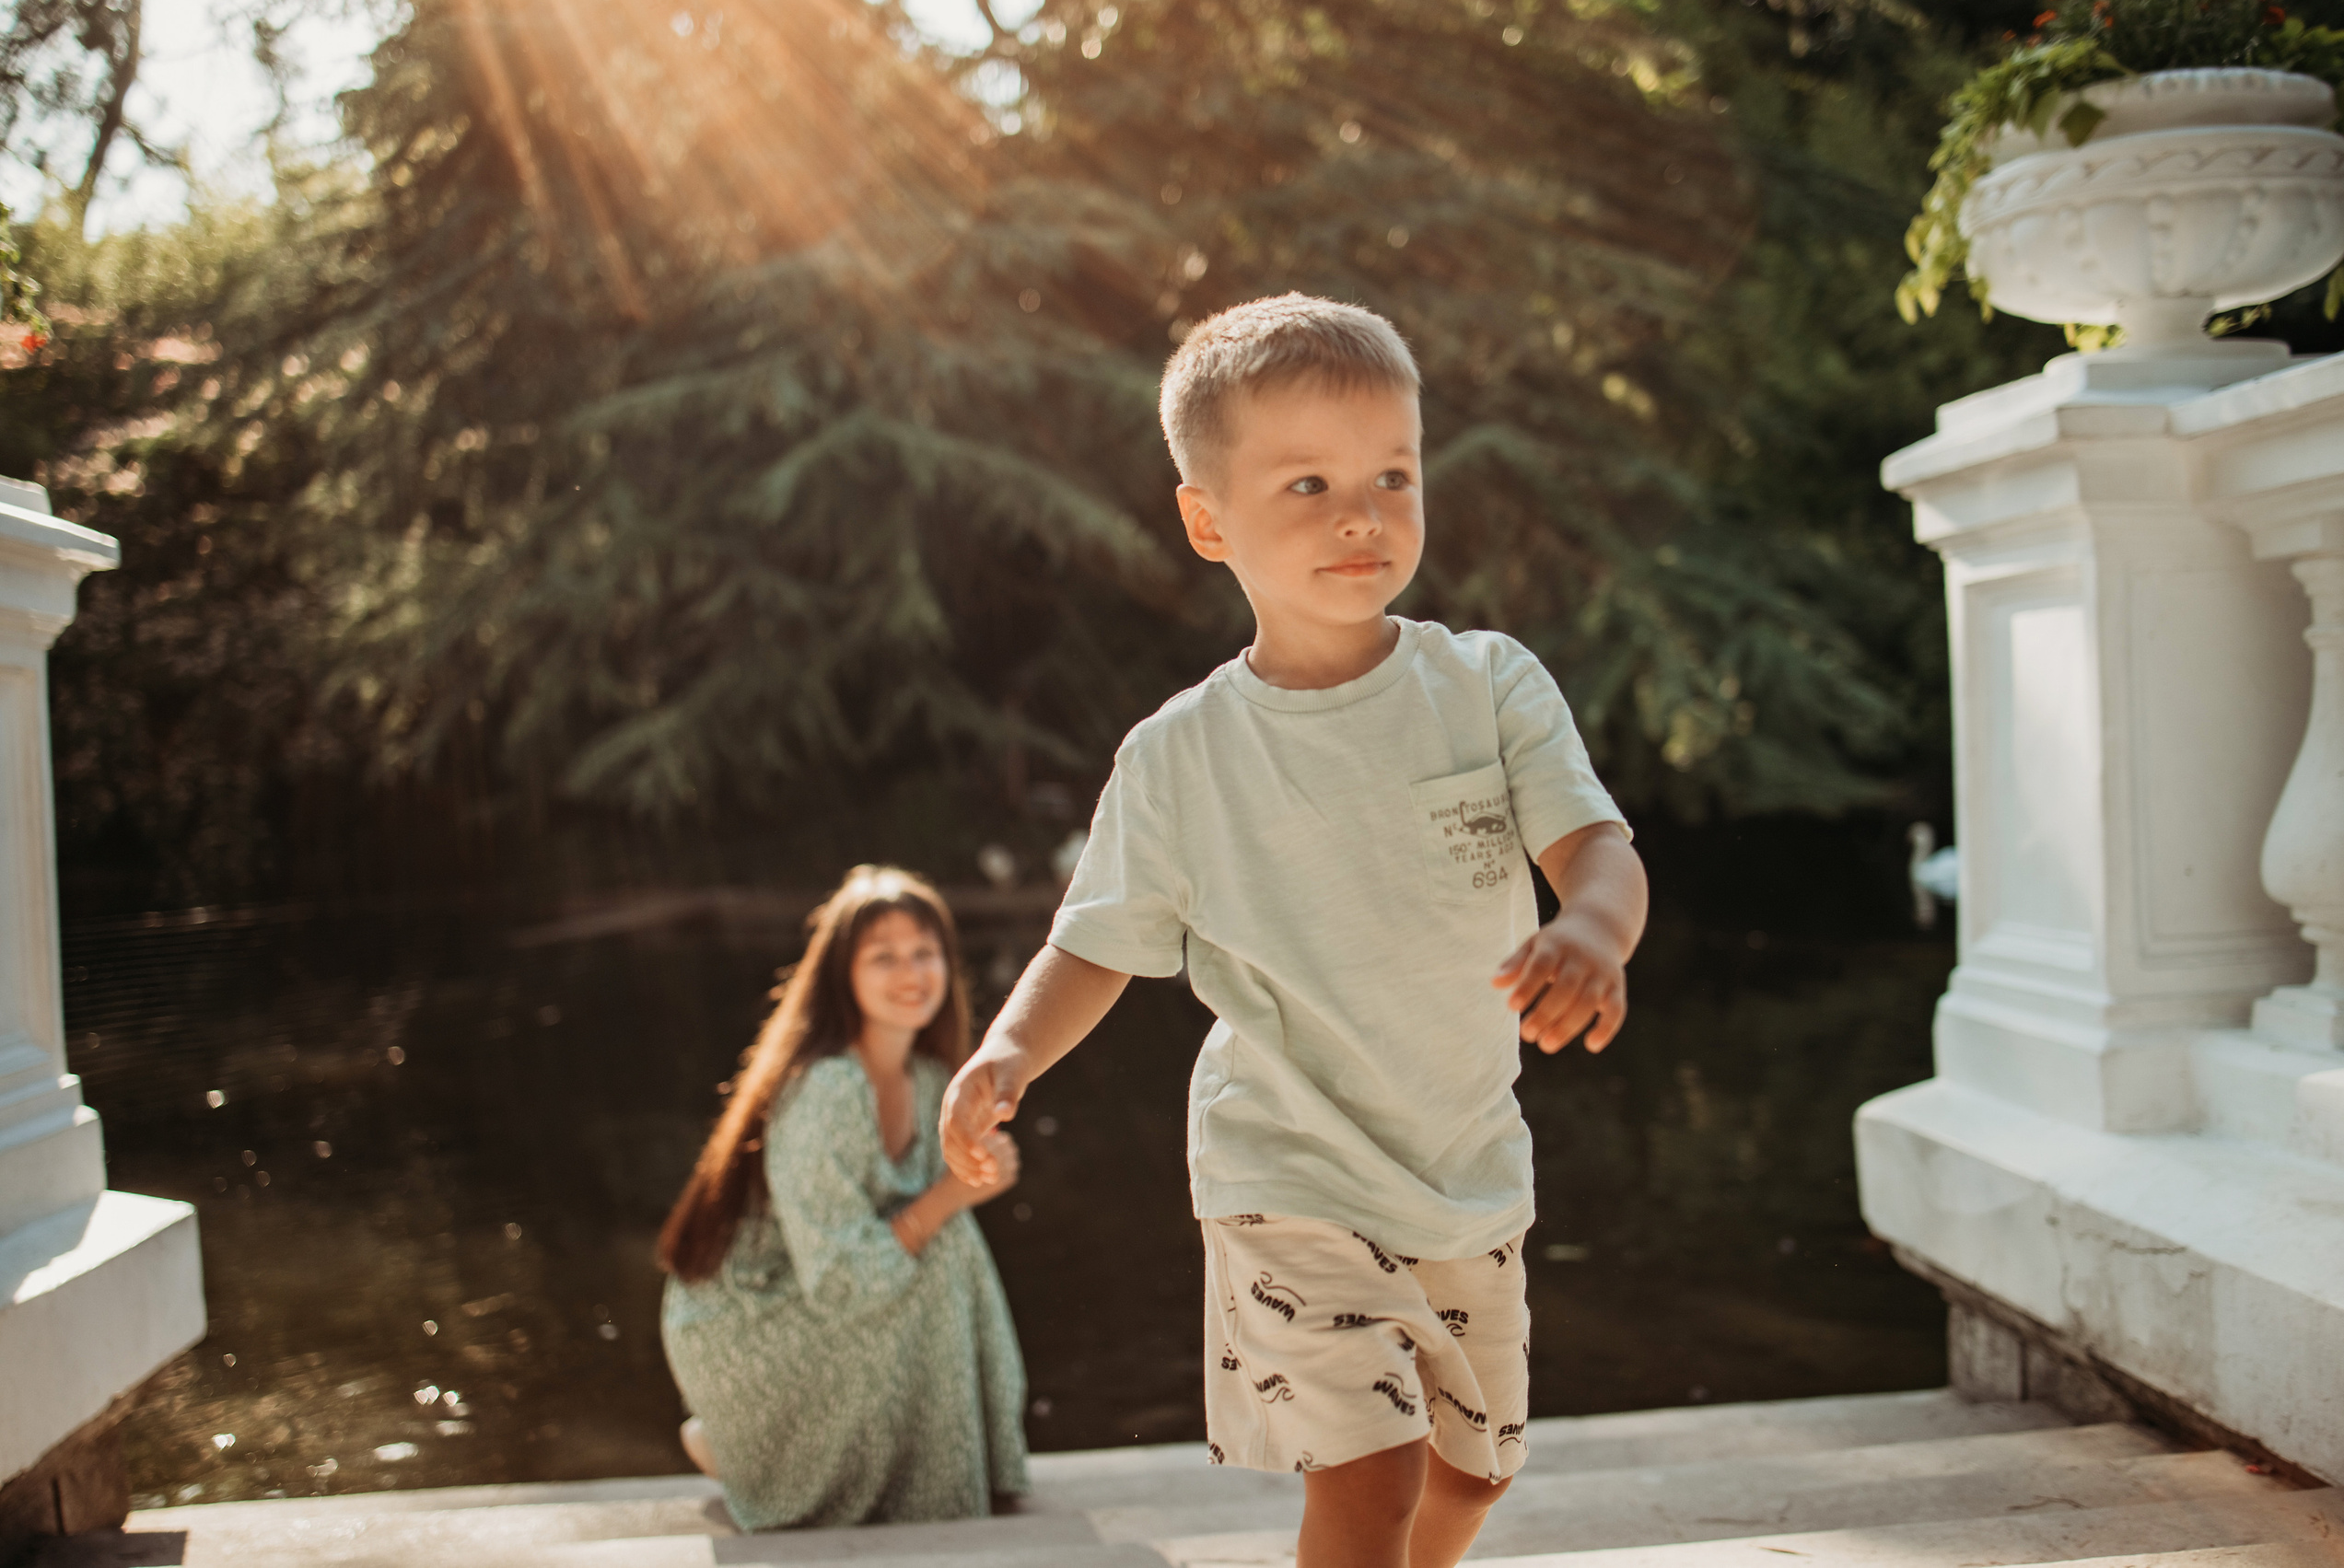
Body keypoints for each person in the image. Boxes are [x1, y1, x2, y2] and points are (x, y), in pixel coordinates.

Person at [940, 295, 1649, 1568]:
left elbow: (1597, 845)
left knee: (1472, 1471)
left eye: (1392, 474)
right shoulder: (1179, 756)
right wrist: (1008, 1049)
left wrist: (1593, 927)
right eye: (1309, 483)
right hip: (1287, 1174)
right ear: (1209, 521)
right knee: (1367, 1474)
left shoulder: (1489, 686)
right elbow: (1095, 941)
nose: (1361, 514)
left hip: (1465, 1162)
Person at [658, 865, 1029, 1530]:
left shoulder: (930, 1079)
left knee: (951, 1244)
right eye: (882, 956)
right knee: (944, 1242)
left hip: (831, 1297)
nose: (910, 972)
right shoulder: (827, 1087)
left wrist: (963, 1186)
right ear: (842, 975)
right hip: (751, 1320)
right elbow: (840, 1280)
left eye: (924, 952)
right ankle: (755, 1443)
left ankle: (967, 1472)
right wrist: (953, 1193)